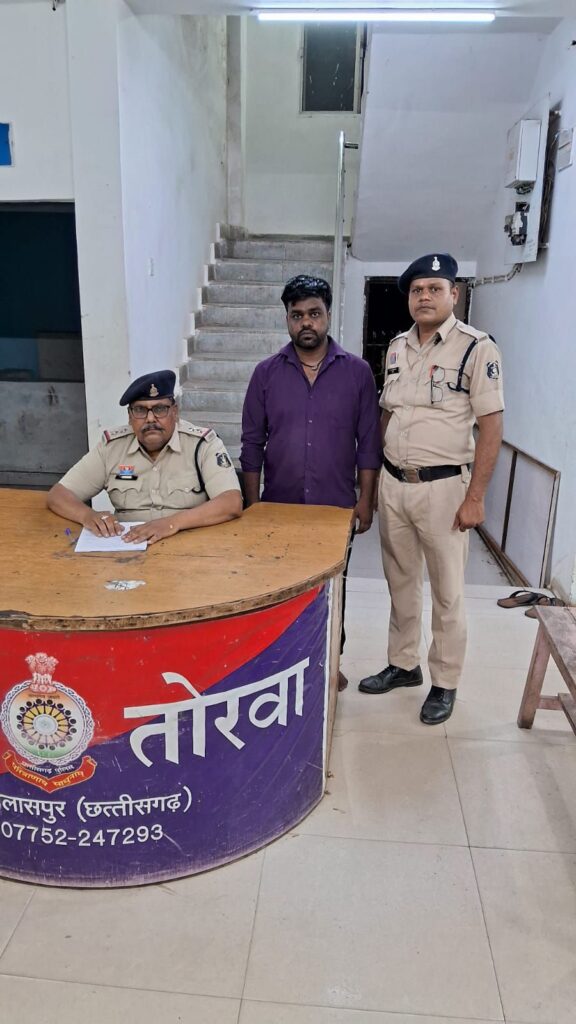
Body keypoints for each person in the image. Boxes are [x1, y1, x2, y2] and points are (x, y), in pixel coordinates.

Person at [358, 254, 504, 724]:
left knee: (447, 591)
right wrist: (374, 480)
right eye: (417, 290)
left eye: (434, 289)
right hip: (395, 484)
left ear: (453, 295)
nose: (424, 297)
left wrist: (475, 497)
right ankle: (404, 665)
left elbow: (491, 426)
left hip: (444, 489)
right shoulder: (397, 347)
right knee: (400, 581)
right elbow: (387, 413)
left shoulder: (476, 348)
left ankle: (445, 681)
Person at [240, 274, 382, 689]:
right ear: (287, 318)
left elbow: (368, 443)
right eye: (297, 315)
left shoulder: (357, 373)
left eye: (314, 314)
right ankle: (280, 668)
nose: (306, 322)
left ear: (328, 316)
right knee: (279, 590)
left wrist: (366, 500)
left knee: (333, 590)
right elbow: (252, 443)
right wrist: (253, 506)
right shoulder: (266, 374)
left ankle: (329, 662)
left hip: (334, 508)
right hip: (279, 506)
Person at [47, 369, 242, 544]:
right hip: (127, 549)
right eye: (140, 410)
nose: (150, 419)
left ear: (174, 412)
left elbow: (231, 502)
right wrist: (88, 516)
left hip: (191, 548)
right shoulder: (112, 448)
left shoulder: (202, 445)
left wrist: (171, 523)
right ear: (130, 416)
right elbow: (58, 495)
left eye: (160, 409)